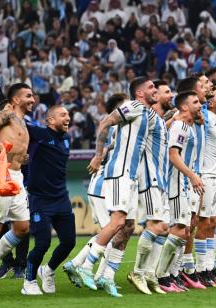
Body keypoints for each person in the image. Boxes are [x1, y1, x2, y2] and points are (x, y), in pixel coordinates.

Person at [76, 77, 158, 290]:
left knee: (125, 226)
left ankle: (106, 277)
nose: (155, 89)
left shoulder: (147, 114)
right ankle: (84, 266)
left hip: (130, 177)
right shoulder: (133, 105)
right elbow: (105, 122)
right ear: (139, 93)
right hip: (119, 172)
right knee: (117, 222)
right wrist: (97, 155)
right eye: (150, 87)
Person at [63, 93, 126, 295]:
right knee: (114, 230)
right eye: (127, 104)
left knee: (111, 230)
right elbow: (107, 151)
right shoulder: (118, 128)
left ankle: (78, 264)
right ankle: (95, 273)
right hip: (103, 185)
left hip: (108, 185)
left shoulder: (123, 128)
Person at [0, 83, 34, 297]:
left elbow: (16, 144)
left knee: (22, 227)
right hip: (2, 175)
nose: (33, 99)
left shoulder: (23, 121)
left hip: (17, 177)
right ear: (16, 100)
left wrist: (23, 157)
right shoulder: (7, 114)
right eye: (28, 96)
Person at [22, 105, 76, 295]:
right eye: (63, 115)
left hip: (61, 198)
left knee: (69, 242)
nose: (67, 117)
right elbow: (19, 122)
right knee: (42, 243)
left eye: (68, 114)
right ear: (50, 120)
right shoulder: (39, 134)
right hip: (40, 200)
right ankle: (28, 281)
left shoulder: (67, 139)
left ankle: (48, 270)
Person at [155, 91, 203, 292]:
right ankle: (162, 276)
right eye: (195, 102)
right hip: (175, 183)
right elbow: (173, 155)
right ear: (184, 107)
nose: (200, 104)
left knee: (184, 230)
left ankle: (173, 275)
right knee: (179, 229)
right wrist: (192, 176)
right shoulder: (181, 126)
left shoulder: (186, 125)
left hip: (182, 183)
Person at [128, 79, 172, 295]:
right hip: (150, 178)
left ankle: (149, 274)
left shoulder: (160, 121)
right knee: (156, 225)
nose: (168, 95)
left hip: (161, 181)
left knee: (164, 229)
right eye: (165, 92)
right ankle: (137, 271)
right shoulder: (144, 117)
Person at [195, 84, 216, 287]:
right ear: (209, 99)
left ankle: (208, 267)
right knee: (204, 222)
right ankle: (199, 269)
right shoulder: (205, 115)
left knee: (213, 221)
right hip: (205, 174)